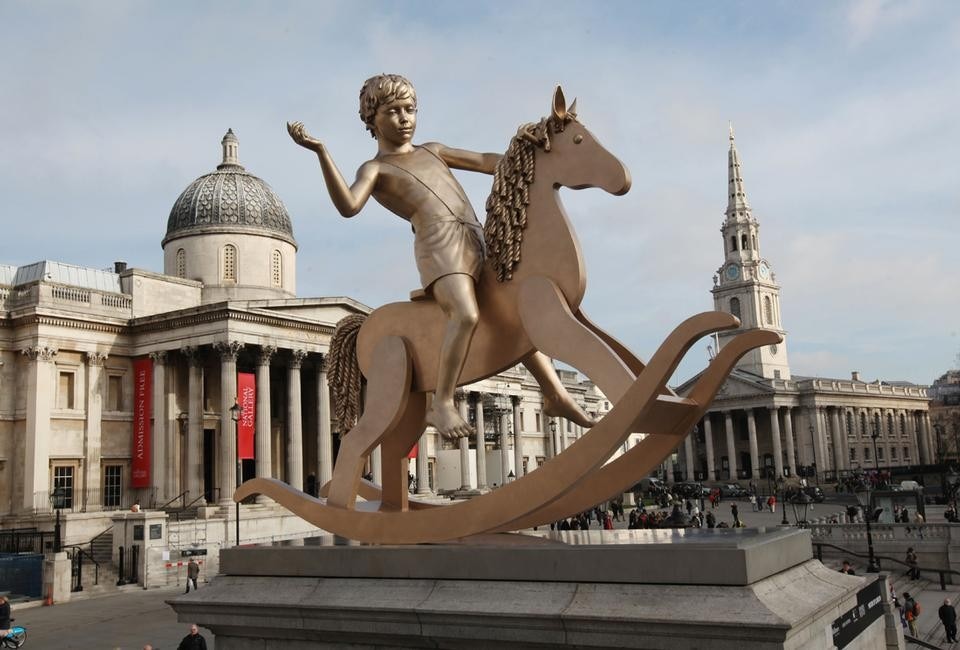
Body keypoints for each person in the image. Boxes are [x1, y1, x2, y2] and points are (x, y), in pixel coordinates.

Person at [288, 74, 592, 439]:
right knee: (465, 314)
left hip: (474, 235)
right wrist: (322, 153)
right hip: (439, 245)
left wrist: (535, 149)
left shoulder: (433, 150)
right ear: (372, 120)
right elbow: (349, 206)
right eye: (393, 111)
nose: (405, 119)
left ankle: (554, 392)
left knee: (512, 314)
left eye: (410, 109)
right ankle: (442, 403)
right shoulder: (375, 169)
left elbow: (485, 161)